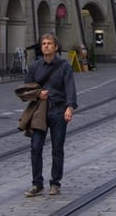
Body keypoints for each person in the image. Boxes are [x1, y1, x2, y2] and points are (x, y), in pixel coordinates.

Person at [23, 33, 78, 198]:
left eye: (49, 44)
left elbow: (70, 88)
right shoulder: (34, 67)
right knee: (36, 147)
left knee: (57, 148)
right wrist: (38, 94)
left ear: (55, 47)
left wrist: (70, 107)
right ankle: (37, 184)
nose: (46, 46)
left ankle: (55, 183)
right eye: (43, 44)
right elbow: (26, 89)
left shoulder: (64, 66)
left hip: (58, 110)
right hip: (39, 111)